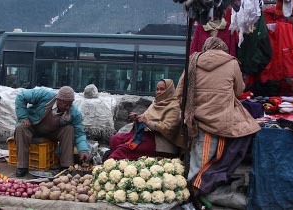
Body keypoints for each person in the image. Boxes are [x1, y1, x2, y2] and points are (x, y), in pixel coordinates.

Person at [176, 37, 260, 199]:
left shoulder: (193, 62)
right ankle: (196, 192)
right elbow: (239, 89)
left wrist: (187, 111)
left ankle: (193, 191)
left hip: (195, 119)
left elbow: (180, 91)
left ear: (206, 47)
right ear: (223, 49)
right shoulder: (232, 62)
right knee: (210, 158)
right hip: (221, 119)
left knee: (197, 157)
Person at [14, 86, 90, 177]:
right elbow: (20, 96)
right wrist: (23, 117)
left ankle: (66, 166)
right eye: (66, 104)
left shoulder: (74, 113)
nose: (68, 107)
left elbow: (79, 133)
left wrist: (84, 150)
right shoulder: (44, 95)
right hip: (34, 125)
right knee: (20, 127)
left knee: (69, 129)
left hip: (53, 131)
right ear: (58, 99)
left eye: (70, 104)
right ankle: (22, 166)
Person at [108, 79, 185, 160]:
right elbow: (145, 119)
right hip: (147, 136)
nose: (158, 92)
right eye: (157, 89)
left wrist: (148, 122)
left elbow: (169, 129)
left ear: (169, 90)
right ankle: (119, 165)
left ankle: (109, 166)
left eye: (162, 89)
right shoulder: (156, 103)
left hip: (160, 143)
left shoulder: (175, 106)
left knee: (122, 150)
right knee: (115, 140)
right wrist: (137, 119)